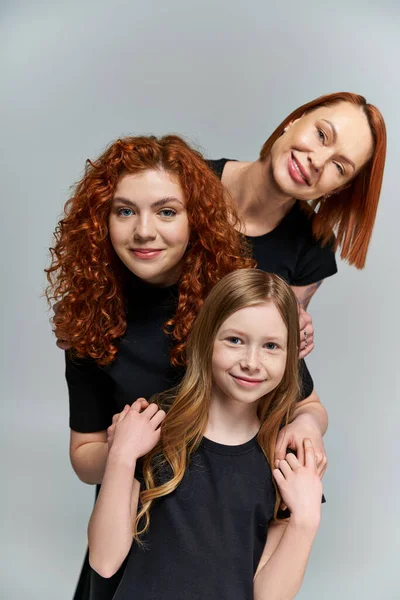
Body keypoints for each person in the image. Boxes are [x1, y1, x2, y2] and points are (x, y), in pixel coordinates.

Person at [45, 135, 326, 600]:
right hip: (138, 517)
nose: (144, 231)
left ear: (196, 217)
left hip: (228, 513)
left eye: (167, 211)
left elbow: (305, 404)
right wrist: (124, 454)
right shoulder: (90, 318)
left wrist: (308, 428)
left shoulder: (232, 299)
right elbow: (85, 453)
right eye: (124, 211)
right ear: (101, 220)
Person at [88, 269, 323, 600]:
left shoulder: (284, 457)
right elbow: (104, 560)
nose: (252, 362)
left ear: (290, 357)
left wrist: (306, 521)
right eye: (235, 340)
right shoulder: (153, 427)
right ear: (206, 337)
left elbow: (268, 596)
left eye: (271, 346)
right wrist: (121, 457)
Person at [208, 91, 386, 318]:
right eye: (322, 135)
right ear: (295, 120)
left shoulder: (314, 245)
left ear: (337, 189)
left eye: (339, 167)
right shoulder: (180, 181)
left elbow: (281, 336)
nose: (318, 161)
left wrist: (294, 332)